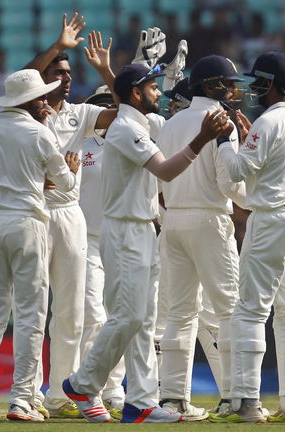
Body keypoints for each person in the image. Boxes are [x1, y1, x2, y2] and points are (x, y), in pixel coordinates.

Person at [63, 62, 231, 423]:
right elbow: (166, 171)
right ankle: (82, 381)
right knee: (128, 316)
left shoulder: (142, 122)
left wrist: (163, 78)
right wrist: (202, 139)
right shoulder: (124, 128)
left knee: (144, 319)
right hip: (123, 231)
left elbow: (164, 117)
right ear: (137, 94)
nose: (159, 93)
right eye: (153, 88)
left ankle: (140, 401)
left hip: (144, 228)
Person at [0, 69, 80, 422]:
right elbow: (67, 185)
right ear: (28, 101)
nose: (46, 101)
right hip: (28, 224)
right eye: (41, 97)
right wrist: (66, 166)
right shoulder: (40, 134)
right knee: (30, 315)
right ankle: (22, 399)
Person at [23, 13, 118, 418]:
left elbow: (128, 112)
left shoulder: (80, 114)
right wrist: (58, 48)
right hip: (34, 213)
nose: (65, 77)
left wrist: (107, 72)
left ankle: (64, 394)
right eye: (57, 71)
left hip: (70, 215)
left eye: (68, 72)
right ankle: (27, 394)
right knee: (33, 306)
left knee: (72, 311)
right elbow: (21, 79)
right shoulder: (26, 113)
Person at [216, 51, 285, 423]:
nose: (254, 87)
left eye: (258, 81)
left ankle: (245, 401)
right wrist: (248, 138)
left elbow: (241, 170)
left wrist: (224, 141)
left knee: (249, 312)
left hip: (272, 220)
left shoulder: (267, 121)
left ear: (270, 83)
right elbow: (275, 164)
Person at [157, 55, 248, 422]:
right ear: (211, 86)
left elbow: (161, 180)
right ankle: (235, 397)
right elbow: (232, 185)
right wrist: (255, 199)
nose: (233, 90)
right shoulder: (222, 123)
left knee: (178, 315)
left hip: (174, 221)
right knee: (228, 310)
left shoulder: (171, 123)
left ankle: (174, 399)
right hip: (210, 219)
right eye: (228, 84)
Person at [78, 87, 126, 420]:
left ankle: (115, 389)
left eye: (113, 105)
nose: (108, 111)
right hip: (85, 239)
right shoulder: (79, 144)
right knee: (93, 316)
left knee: (119, 316)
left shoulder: (128, 144)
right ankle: (90, 389)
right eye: (101, 106)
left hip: (120, 238)